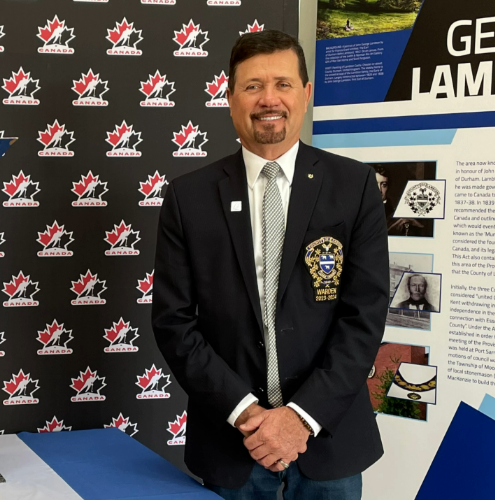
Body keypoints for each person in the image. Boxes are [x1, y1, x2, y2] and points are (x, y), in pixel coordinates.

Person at [152, 30, 388, 500]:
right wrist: (248, 414)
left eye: (282, 84)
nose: (268, 99)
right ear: (230, 97)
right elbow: (173, 322)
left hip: (328, 441)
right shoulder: (188, 197)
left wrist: (299, 419)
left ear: (305, 94)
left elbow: (364, 316)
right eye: (252, 86)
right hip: (231, 441)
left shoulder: (354, 185)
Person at [373, 165, 430, 237]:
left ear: (388, 187)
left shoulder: (393, 213)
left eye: (384, 185)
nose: (379, 190)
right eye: (374, 184)